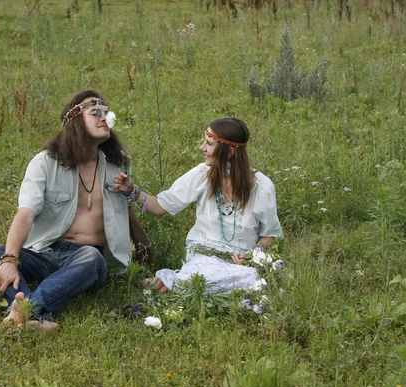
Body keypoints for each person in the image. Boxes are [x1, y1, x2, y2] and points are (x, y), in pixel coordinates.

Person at [0, 89, 131, 330]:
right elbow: (26, 213)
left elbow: (127, 208)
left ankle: (25, 310)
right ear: (74, 121)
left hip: (85, 260)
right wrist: (9, 259)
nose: (104, 117)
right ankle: (34, 319)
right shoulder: (45, 163)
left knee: (92, 257)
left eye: (105, 112)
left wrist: (145, 245)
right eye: (95, 112)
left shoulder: (117, 166)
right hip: (43, 252)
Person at [113, 117, 283, 294]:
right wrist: (131, 190)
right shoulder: (202, 175)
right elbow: (159, 206)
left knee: (252, 277)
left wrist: (251, 256)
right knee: (215, 274)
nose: (202, 148)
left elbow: (269, 236)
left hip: (239, 262)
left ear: (230, 152)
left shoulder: (262, 187)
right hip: (203, 254)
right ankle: (190, 284)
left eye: (209, 144)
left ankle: (175, 283)